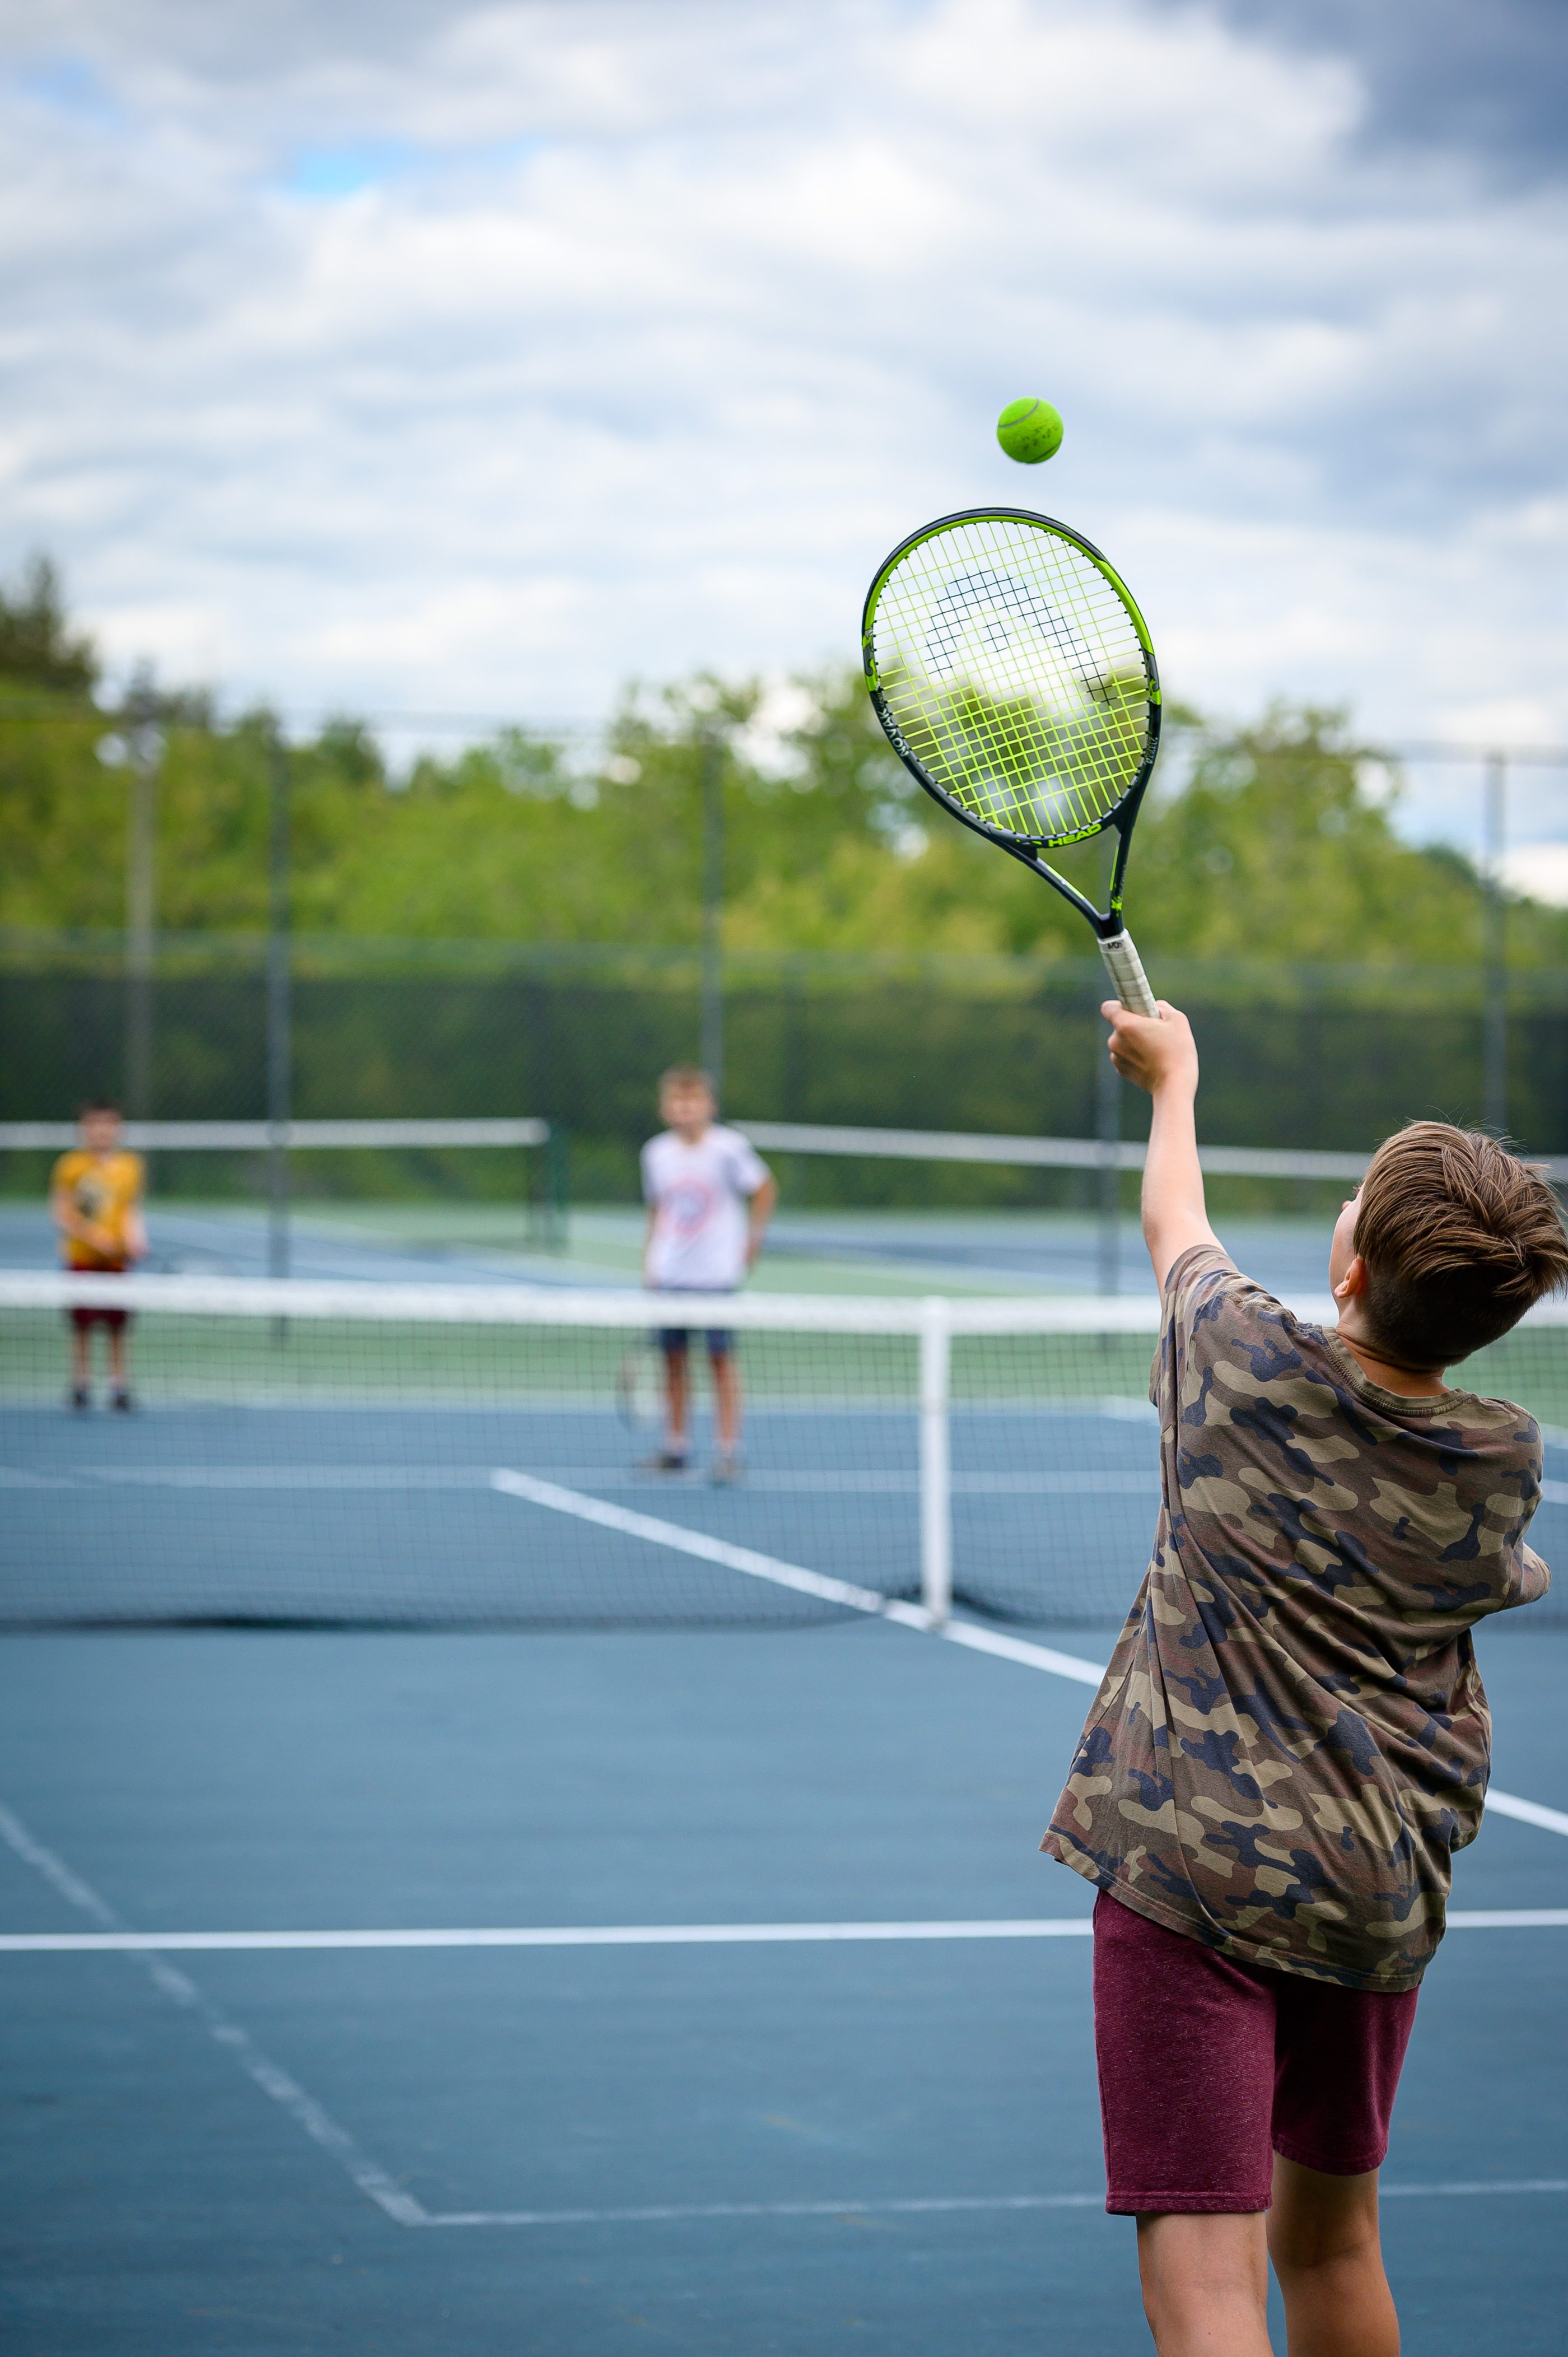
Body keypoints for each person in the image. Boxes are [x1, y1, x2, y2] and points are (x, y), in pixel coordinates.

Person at [1042, 997, 1568, 2357]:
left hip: (1191, 1880)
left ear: (1349, 1271)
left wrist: (1175, 1085)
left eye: (1351, 1203)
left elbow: (1178, 1220)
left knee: (1207, 2282)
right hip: (1375, 1892)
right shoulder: (1497, 1462)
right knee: (1333, 2242)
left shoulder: (1239, 1358)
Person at [640, 1064, 776, 1483]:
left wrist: (752, 1241)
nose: (686, 1109)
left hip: (716, 1278)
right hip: (671, 1277)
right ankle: (675, 1447)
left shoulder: (729, 1148)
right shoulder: (655, 1153)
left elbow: (765, 1187)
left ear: (710, 1105)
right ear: (666, 1108)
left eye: (694, 1101)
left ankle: (728, 1451)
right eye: (678, 1102)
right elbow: (658, 1208)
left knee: (721, 1363)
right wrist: (651, 1261)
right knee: (673, 1363)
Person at [50, 1100, 148, 1412]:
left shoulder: (130, 1167)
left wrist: (135, 1240)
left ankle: (118, 1386)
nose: (101, 1130)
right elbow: (62, 1213)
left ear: (117, 1128)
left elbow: (132, 1209)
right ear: (84, 1128)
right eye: (94, 1124)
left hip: (117, 1263)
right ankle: (81, 1384)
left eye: (108, 1123)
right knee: (82, 1325)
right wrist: (95, 1238)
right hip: (82, 1258)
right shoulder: (70, 1166)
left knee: (118, 1327)